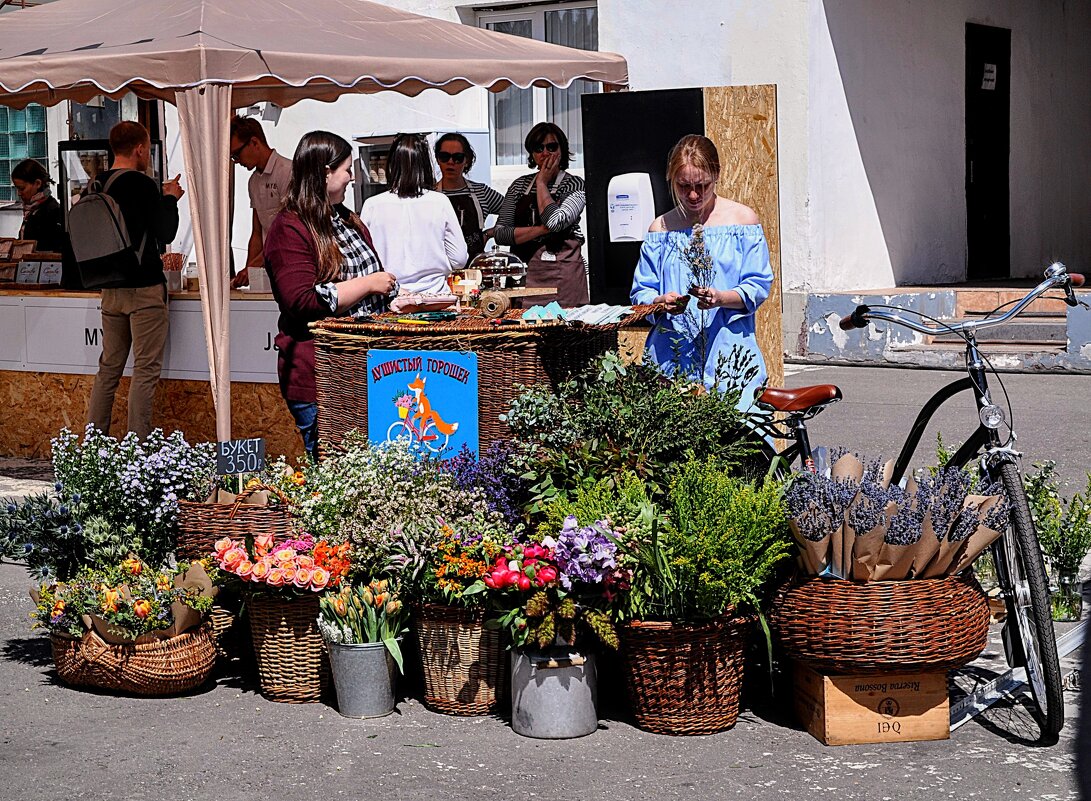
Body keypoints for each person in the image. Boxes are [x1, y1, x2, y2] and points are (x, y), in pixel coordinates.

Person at [264, 131, 396, 460]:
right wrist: (368, 284)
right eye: (347, 170)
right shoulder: (289, 228)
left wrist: (393, 300)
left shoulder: (349, 220)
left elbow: (370, 287)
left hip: (368, 369)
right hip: (319, 375)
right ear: (325, 172)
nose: (353, 178)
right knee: (332, 474)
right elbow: (301, 301)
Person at [629, 134, 773, 408]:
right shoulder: (661, 229)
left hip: (729, 353)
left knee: (737, 439)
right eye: (683, 186)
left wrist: (721, 298)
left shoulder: (743, 221)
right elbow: (641, 293)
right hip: (672, 355)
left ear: (716, 175)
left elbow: (758, 285)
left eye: (701, 185)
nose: (693, 195)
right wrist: (659, 302)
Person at [86, 121, 184, 438]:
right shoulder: (142, 185)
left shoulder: (96, 185)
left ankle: (92, 445)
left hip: (110, 288)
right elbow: (165, 232)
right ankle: (138, 449)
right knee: (144, 370)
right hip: (144, 289)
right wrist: (170, 197)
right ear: (140, 149)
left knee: (109, 369)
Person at [493, 122, 589, 306]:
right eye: (538, 148)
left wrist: (542, 184)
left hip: (564, 279)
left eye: (551, 147)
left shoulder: (574, 184)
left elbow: (555, 222)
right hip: (526, 276)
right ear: (532, 154)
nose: (545, 153)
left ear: (562, 149)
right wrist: (541, 230)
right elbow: (500, 233)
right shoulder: (519, 186)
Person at [361, 132, 467, 295]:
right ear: (426, 164)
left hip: (389, 296)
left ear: (392, 165)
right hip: (435, 296)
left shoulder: (372, 205)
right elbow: (459, 259)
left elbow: (364, 261)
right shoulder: (439, 201)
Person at [228, 115, 293, 289]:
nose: (236, 161)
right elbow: (257, 232)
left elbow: (289, 234)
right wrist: (249, 270)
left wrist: (253, 266)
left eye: (236, 154)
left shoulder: (287, 172)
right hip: (269, 267)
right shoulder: (253, 181)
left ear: (254, 143)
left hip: (293, 266)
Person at [433, 133, 503, 264]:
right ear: (437, 159)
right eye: (444, 157)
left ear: (467, 161)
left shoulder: (482, 192)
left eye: (457, 158)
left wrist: (490, 233)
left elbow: (513, 211)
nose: (450, 162)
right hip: (440, 272)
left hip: (475, 269)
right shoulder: (429, 196)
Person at [11, 159, 65, 253]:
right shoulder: (31, 210)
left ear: (37, 183)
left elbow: (52, 250)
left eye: (22, 188)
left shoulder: (52, 211)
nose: (19, 193)